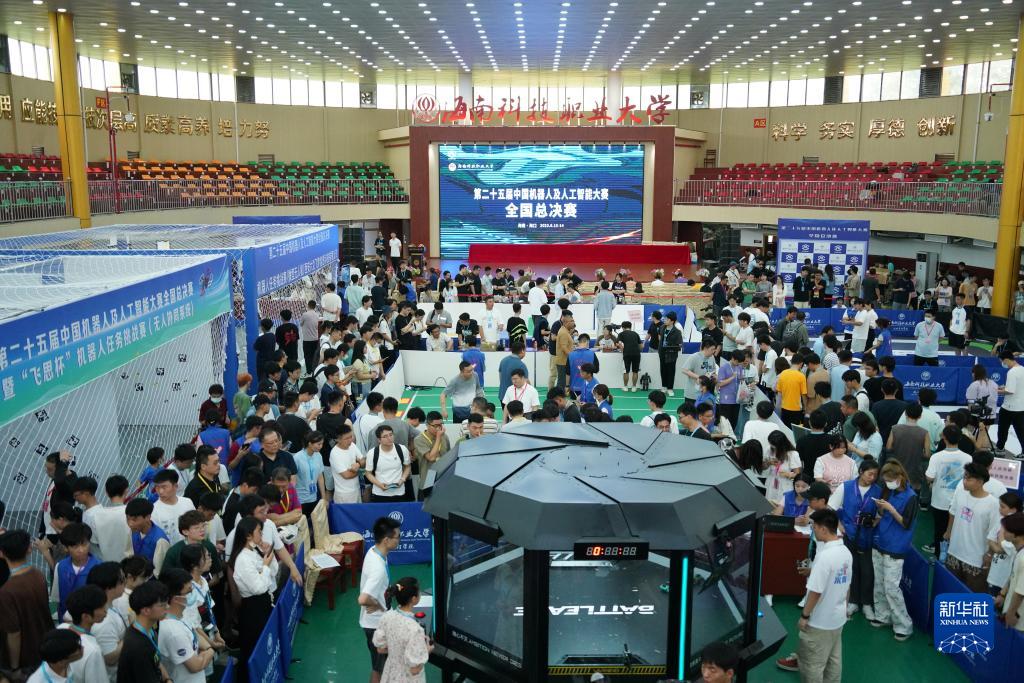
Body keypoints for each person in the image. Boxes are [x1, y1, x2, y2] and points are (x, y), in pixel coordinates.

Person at [796, 508, 852, 683]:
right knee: (834, 662)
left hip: (819, 623)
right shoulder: (846, 552)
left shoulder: (824, 556)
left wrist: (805, 616)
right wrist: (844, 609)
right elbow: (846, 585)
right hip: (837, 619)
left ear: (823, 529)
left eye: (814, 527)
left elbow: (815, 592)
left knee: (812, 665)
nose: (813, 530)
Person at [828, 458, 881, 619]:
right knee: (850, 568)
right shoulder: (846, 487)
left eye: (875, 475)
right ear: (861, 472)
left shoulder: (878, 491)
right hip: (849, 535)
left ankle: (867, 604)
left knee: (867, 571)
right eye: (870, 474)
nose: (872, 478)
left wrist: (875, 522)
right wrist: (839, 525)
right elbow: (831, 508)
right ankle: (852, 601)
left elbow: (881, 514)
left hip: (867, 536)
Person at [228, 517, 276, 682]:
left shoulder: (255, 551)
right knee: (252, 650)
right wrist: (265, 566)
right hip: (252, 610)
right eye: (259, 531)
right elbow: (258, 587)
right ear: (248, 535)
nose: (262, 535)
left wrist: (267, 555)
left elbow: (273, 572)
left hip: (262, 604)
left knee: (263, 647)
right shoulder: (242, 559)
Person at [0, 529, 53, 679]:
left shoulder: (6, 591)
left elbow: (14, 633)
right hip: (45, 647)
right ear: (29, 549)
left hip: (25, 658)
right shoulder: (38, 575)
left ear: (2, 553)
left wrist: (14, 667)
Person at [943, 462, 1003, 592]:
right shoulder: (960, 493)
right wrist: (948, 532)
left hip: (975, 559)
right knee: (950, 591)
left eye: (969, 479)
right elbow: (952, 512)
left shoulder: (992, 504)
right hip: (954, 552)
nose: (964, 481)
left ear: (980, 482)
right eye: (964, 477)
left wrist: (989, 554)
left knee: (972, 595)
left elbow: (994, 532)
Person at [359, 516, 402, 683]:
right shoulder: (378, 569)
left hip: (378, 621)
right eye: (397, 536)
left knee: (379, 666)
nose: (399, 539)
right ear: (386, 540)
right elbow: (362, 599)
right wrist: (376, 604)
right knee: (380, 669)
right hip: (376, 626)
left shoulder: (374, 551)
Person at [371, 577, 432, 683]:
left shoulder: (386, 617)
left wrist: (397, 650)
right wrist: (426, 651)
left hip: (390, 674)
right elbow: (414, 669)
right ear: (414, 599)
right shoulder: (415, 630)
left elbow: (380, 649)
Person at [117, 580, 168, 683]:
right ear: (146, 610)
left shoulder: (146, 630)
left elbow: (156, 662)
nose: (167, 607)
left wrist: (167, 679)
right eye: (162, 605)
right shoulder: (138, 647)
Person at [366, 425, 413, 503]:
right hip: (379, 493)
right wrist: (379, 484)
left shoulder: (402, 449)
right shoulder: (372, 453)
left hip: (399, 492)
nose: (389, 438)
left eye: (391, 435)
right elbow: (368, 473)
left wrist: (402, 479)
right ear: (379, 440)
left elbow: (407, 466)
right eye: (385, 436)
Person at [995, 512, 1024, 630]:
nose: (1003, 532)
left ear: (1016, 536)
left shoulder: (1023, 558)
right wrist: (1002, 594)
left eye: (1006, 530)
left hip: (1019, 621)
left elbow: (1020, 592)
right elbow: (1014, 575)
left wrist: (1011, 614)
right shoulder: (1019, 551)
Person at [150, 470, 196, 545]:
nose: (160, 491)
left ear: (175, 486)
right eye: (157, 487)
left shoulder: (187, 502)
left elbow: (196, 524)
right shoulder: (153, 511)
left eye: (164, 487)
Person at [125, 497, 171, 570]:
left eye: (134, 520)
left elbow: (158, 571)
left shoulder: (160, 540)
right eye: (128, 519)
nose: (130, 524)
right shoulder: (133, 531)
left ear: (147, 517)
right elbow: (129, 554)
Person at [997, 350, 1024, 456]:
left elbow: (1010, 391)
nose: (1003, 364)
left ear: (1006, 360)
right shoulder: (1022, 369)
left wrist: (995, 390)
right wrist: (1004, 387)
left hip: (1010, 407)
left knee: (1003, 429)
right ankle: (1000, 448)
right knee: (1021, 431)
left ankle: (1000, 448)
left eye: (1002, 361)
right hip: (1020, 406)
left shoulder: (1011, 372)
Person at [764, 430, 802, 506]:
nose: (772, 446)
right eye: (770, 443)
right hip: (771, 482)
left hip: (785, 484)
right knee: (769, 505)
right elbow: (763, 467)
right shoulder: (769, 449)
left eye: (774, 445)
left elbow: (798, 474)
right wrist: (769, 463)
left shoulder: (792, 454)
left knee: (782, 506)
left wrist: (788, 474)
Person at [330, 425, 365, 504]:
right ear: (338, 440)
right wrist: (361, 471)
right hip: (344, 494)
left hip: (356, 489)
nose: (350, 440)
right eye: (346, 438)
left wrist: (358, 464)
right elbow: (346, 475)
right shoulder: (335, 453)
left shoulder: (352, 445)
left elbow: (363, 460)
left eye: (351, 437)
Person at [616, 320, 643, 392]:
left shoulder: (621, 334)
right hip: (637, 354)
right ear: (630, 327)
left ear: (623, 327)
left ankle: (625, 387)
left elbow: (618, 343)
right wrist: (638, 351)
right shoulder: (636, 333)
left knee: (626, 371)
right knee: (635, 371)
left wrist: (622, 350)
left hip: (627, 354)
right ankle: (634, 387)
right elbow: (641, 346)